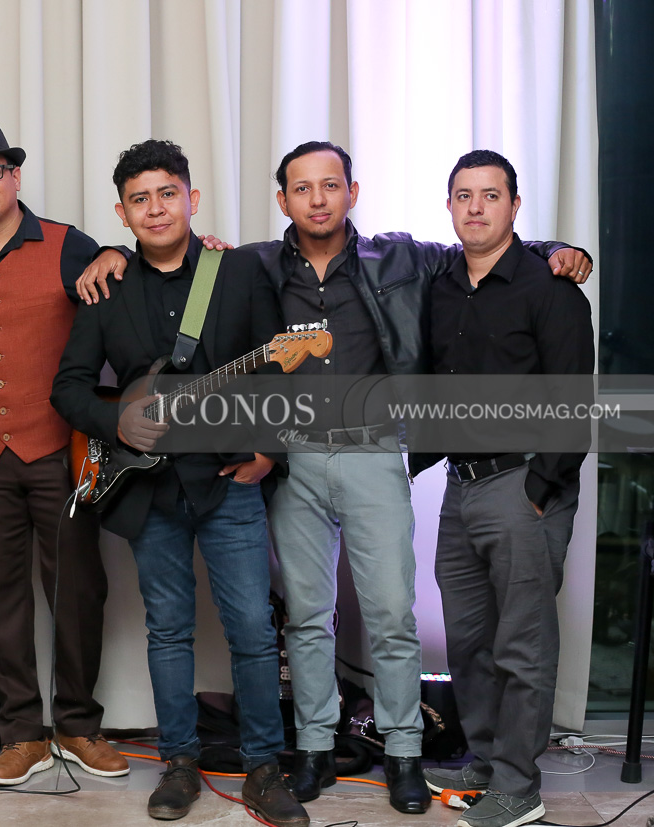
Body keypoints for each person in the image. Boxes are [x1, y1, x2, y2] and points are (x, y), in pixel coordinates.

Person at [76, 141, 591, 814]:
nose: (317, 198)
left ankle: (404, 752)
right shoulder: (255, 264)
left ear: (352, 191)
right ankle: (315, 748)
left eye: (330, 185)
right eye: (301, 187)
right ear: (283, 199)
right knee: (306, 619)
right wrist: (111, 253)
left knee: (392, 615)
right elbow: (180, 261)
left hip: (374, 451)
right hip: (294, 459)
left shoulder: (400, 258)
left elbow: (481, 244)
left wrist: (557, 248)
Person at [52, 139, 308, 827]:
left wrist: (269, 451)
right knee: (167, 630)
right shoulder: (106, 288)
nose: (156, 208)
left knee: (252, 628)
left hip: (229, 480)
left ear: (191, 198)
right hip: (148, 489)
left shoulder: (239, 270)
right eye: (139, 199)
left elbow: (276, 369)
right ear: (122, 212)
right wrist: (116, 420)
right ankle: (179, 762)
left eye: (168, 193)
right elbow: (68, 387)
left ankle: (263, 767)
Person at [0, 121, 125, 786]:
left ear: (14, 177)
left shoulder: (71, 246)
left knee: (78, 591)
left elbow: (120, 304)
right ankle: (21, 734)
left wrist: (118, 251)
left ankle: (78, 725)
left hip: (59, 450)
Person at [410, 150, 593, 827]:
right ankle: (485, 761)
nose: (476, 207)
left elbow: (575, 404)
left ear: (515, 205)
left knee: (523, 645)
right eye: (464, 195)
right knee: (468, 641)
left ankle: (519, 785)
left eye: (491, 195)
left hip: (522, 485)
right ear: (449, 206)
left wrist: (539, 490)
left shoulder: (552, 288)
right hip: (460, 487)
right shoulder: (441, 285)